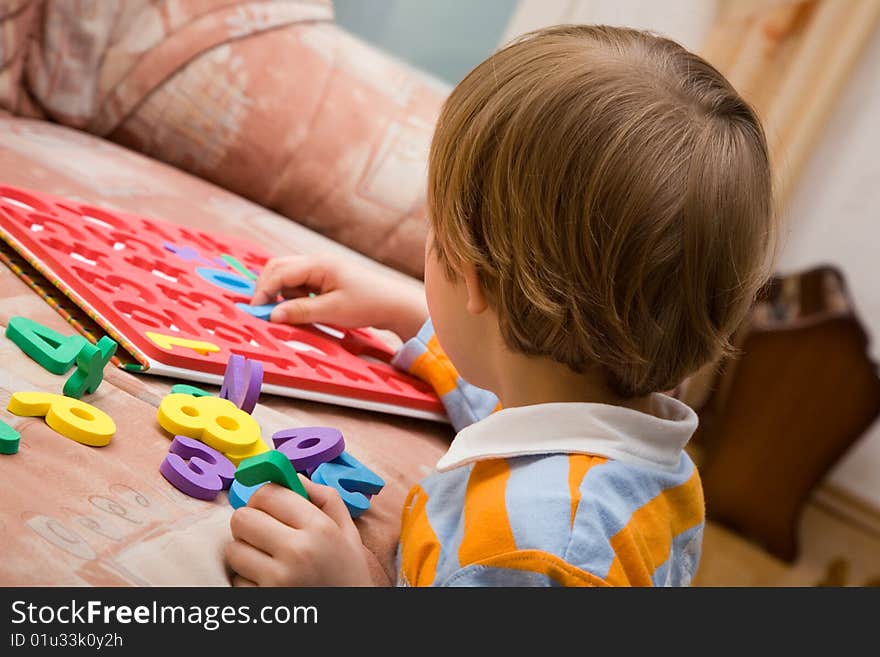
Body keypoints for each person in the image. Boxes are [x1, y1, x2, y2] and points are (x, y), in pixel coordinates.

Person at [223, 24, 775, 587]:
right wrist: (407, 313)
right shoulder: (615, 432)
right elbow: (512, 396)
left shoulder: (544, 551)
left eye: (438, 244)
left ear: (474, 283)